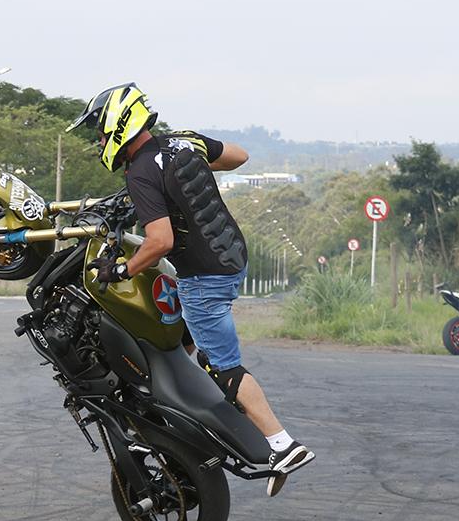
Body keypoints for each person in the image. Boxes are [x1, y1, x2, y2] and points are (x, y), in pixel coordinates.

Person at [67, 83, 314, 496]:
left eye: (100, 131)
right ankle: (185, 409)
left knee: (223, 365)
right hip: (232, 258)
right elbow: (239, 156)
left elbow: (159, 241)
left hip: (204, 279)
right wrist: (187, 174)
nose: (99, 140)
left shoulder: (141, 172)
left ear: (118, 124)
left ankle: (281, 444)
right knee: (180, 336)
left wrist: (122, 269)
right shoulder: (185, 142)